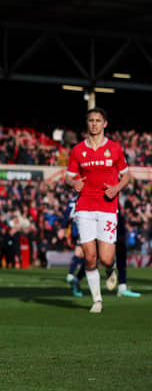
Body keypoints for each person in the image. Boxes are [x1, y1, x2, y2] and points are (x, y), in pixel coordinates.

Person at [65, 107, 130, 313]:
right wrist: (72, 183)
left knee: (106, 258)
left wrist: (116, 188)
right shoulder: (77, 150)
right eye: (91, 120)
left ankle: (111, 269)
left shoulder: (115, 149)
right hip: (84, 207)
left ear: (105, 124)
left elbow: (126, 176)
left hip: (107, 207)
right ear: (88, 124)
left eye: (98, 120)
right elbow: (68, 176)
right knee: (90, 256)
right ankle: (97, 300)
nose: (94, 124)